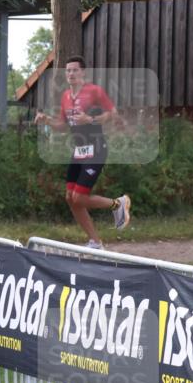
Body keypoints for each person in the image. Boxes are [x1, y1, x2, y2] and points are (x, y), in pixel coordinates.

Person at [34, 55, 130, 249]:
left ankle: (118, 204)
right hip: (79, 150)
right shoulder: (66, 97)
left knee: (79, 197)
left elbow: (113, 114)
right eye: (68, 70)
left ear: (83, 72)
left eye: (74, 70)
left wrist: (91, 120)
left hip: (96, 148)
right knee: (70, 198)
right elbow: (62, 125)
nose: (70, 73)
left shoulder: (94, 91)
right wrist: (47, 120)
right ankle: (95, 242)